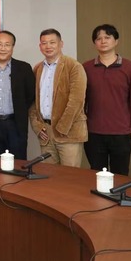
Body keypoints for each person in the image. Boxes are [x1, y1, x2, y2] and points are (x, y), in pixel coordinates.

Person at [83, 24, 131, 175]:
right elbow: (80, 99)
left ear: (116, 41)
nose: (103, 41)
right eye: (99, 38)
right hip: (93, 132)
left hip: (121, 132)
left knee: (121, 174)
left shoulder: (129, 67)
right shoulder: (86, 68)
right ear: (94, 43)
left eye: (107, 37)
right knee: (97, 174)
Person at [29, 29, 87, 167]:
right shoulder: (37, 68)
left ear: (61, 44)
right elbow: (33, 101)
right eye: (44, 43)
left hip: (68, 132)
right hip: (46, 133)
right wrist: (37, 126)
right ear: (40, 46)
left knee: (69, 176)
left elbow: (76, 101)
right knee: (49, 175)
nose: (48, 46)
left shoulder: (73, 66)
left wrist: (61, 128)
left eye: (52, 42)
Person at [0, 30, 36, 160]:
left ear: (13, 47)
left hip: (16, 124)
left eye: (7, 45)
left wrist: (20, 109)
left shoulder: (24, 68)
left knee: (18, 162)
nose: (3, 48)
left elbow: (31, 94)